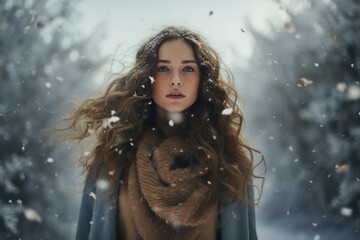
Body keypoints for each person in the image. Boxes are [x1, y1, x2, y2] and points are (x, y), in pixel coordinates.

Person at [65, 26, 264, 240]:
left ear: (202, 78)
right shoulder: (112, 159)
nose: (176, 79)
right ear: (147, 77)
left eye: (188, 69)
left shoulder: (229, 163)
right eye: (162, 69)